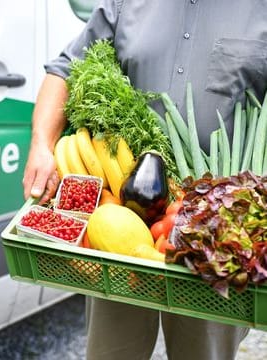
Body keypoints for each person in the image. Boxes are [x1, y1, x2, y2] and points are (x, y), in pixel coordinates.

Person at [22, 1, 266, 359]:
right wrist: (42, 145)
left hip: (216, 235)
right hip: (124, 216)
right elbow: (66, 70)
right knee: (112, 352)